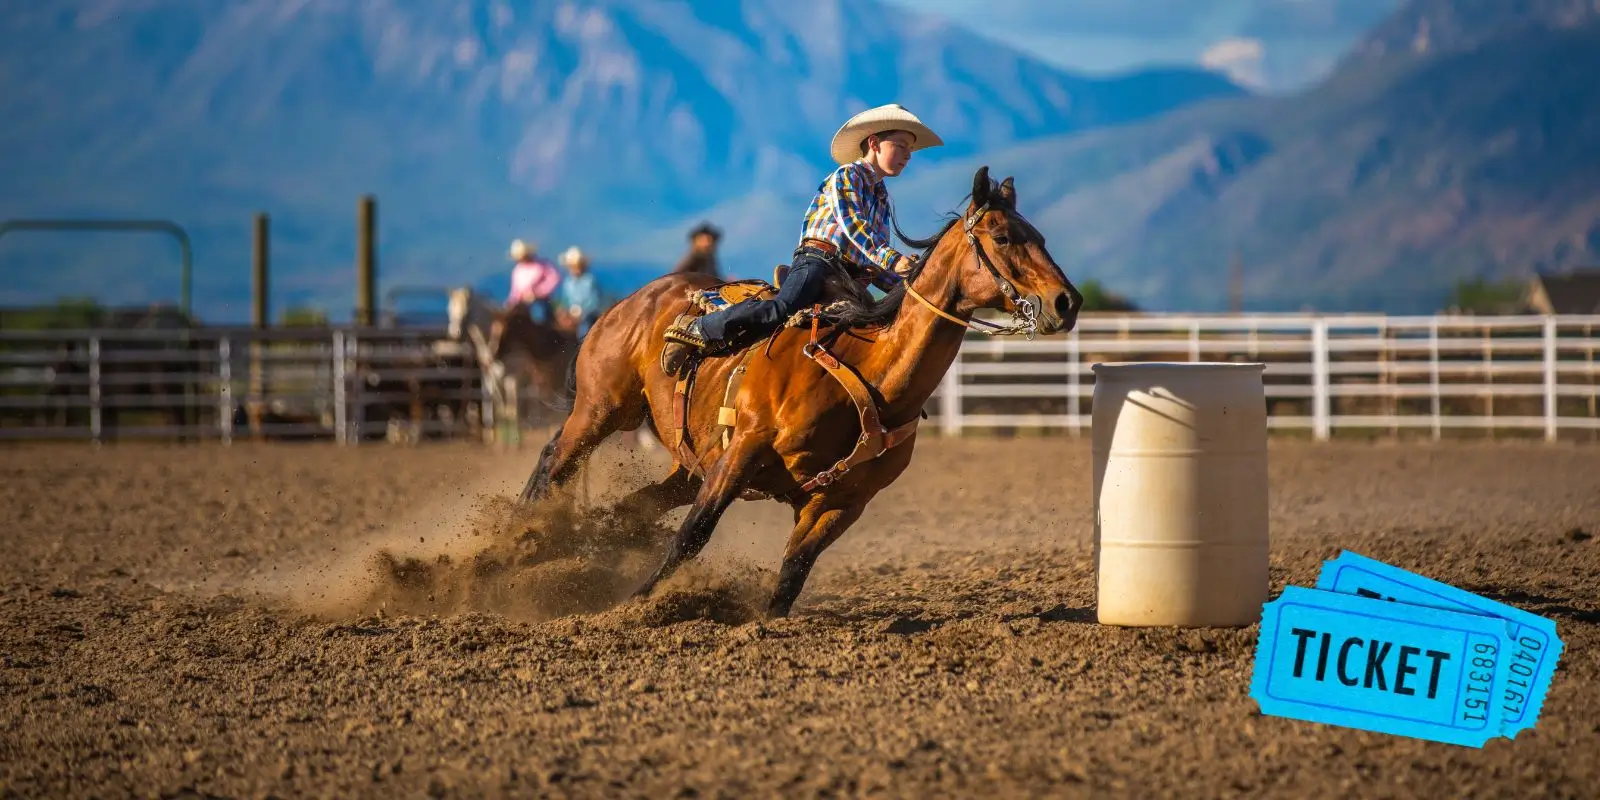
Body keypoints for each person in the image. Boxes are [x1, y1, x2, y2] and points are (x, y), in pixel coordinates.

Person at [660, 104, 944, 375]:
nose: (908, 155)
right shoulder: (848, 176)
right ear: (874, 143)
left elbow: (874, 260)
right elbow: (855, 227)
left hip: (850, 278)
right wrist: (894, 261)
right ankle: (702, 328)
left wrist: (912, 288)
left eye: (910, 149)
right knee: (782, 308)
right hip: (818, 262)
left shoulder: (881, 198)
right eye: (901, 146)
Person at [553, 245, 607, 339]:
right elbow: (565, 299)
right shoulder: (568, 282)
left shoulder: (589, 280)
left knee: (584, 325)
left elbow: (594, 301)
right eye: (572, 266)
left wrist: (580, 311)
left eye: (577, 266)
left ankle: (582, 344)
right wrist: (563, 310)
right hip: (571, 313)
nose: (575, 269)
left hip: (588, 313)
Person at [506, 238, 562, 323]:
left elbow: (554, 279)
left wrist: (538, 292)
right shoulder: (517, 270)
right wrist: (511, 303)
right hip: (522, 303)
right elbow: (515, 291)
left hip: (539, 301)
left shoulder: (541, 265)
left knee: (538, 313)